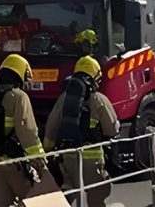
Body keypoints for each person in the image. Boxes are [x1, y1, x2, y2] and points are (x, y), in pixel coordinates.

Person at [43, 57, 119, 207]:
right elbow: (112, 130)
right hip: (93, 160)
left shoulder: (64, 98)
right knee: (97, 197)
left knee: (70, 196)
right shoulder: (99, 99)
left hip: (68, 159)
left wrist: (47, 150)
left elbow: (51, 127)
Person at [0, 54, 55, 206]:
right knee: (37, 201)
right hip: (14, 164)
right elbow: (28, 134)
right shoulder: (18, 97)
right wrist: (41, 163)